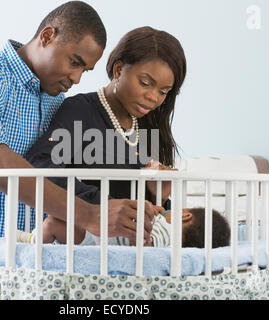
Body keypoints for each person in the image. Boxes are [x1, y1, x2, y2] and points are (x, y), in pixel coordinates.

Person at [0, 1, 156, 300]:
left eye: (85, 70)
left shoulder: (58, 103)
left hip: (32, 273)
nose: (77, 79)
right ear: (46, 37)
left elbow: (71, 177)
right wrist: (89, 214)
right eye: (74, 62)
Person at [24, 26, 188, 247]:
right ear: (119, 70)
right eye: (145, 83)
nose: (153, 98)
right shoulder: (81, 111)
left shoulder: (149, 127)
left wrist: (159, 196)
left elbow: (153, 217)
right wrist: (102, 207)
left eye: (163, 91)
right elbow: (40, 165)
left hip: (128, 252)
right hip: (81, 247)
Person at [17, 207, 231, 249]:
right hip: (98, 235)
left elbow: (147, 241)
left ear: (185, 216)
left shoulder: (167, 228)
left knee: (53, 223)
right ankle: (37, 238)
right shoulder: (170, 238)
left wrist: (145, 214)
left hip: (98, 238)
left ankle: (32, 243)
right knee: (56, 223)